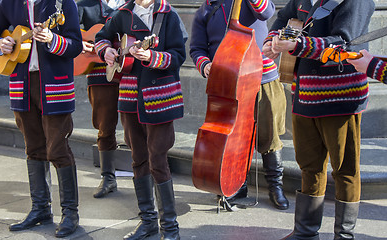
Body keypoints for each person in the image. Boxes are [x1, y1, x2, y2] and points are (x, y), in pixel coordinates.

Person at [263, 0, 375, 239]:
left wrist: (296, 45)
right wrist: (271, 41)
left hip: (340, 99)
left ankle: (343, 235)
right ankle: (305, 233)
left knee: (345, 169)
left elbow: (344, 44)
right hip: (304, 95)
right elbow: (283, 18)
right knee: (309, 166)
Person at [0, 0, 82, 238]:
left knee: (58, 149)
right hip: (22, 85)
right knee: (33, 148)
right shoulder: (9, 3)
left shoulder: (62, 3)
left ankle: (70, 213)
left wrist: (53, 39)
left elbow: (76, 46)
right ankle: (40, 209)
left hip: (54, 86)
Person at [94, 0, 186, 239]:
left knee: (158, 159)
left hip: (160, 98)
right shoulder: (122, 14)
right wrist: (107, 51)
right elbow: (101, 37)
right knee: (138, 159)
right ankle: (147, 222)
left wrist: (152, 56)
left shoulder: (168, 14)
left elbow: (178, 57)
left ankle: (170, 227)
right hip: (130, 97)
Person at [189, 0, 289, 210]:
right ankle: (235, 184)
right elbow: (197, 49)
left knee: (269, 134)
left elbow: (266, 12)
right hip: (227, 83)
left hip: (261, 75)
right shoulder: (206, 9)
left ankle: (275, 186)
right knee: (235, 136)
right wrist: (205, 65)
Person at [77, 0, 126, 199]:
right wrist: (78, 44)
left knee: (139, 127)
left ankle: (146, 176)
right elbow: (69, 33)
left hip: (132, 71)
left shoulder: (136, 4)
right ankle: (108, 177)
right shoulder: (83, 5)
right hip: (99, 73)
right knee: (104, 126)